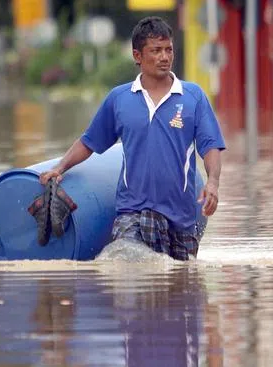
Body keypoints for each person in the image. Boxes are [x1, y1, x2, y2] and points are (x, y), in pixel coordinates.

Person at [38, 16, 225, 261]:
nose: (164, 57)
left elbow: (210, 145)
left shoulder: (193, 97)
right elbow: (90, 141)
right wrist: (60, 167)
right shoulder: (119, 99)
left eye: (168, 50)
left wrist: (213, 182)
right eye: (155, 51)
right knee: (128, 265)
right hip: (133, 211)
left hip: (180, 216)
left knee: (180, 286)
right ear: (138, 56)